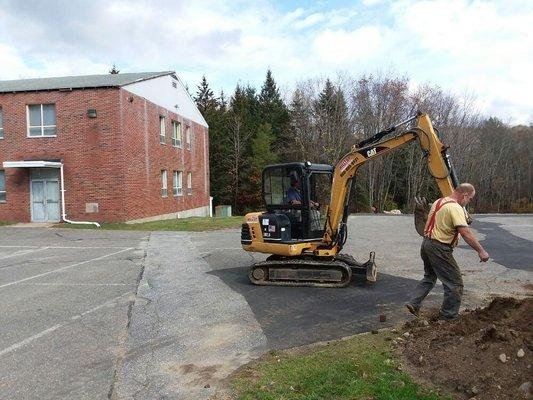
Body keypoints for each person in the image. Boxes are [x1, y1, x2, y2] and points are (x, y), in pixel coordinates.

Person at [406, 183, 490, 320]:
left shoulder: (439, 202)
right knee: (455, 283)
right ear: (465, 195)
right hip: (440, 248)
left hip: (426, 244)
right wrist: (481, 251)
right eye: (470, 199)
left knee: (429, 277)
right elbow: (465, 233)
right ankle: (448, 317)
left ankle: (413, 303)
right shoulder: (454, 207)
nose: (469, 202)